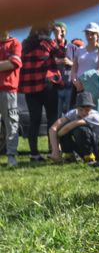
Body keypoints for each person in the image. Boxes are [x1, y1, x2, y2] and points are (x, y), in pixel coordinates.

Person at [18, 25, 62, 162]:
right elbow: (61, 54)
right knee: (52, 118)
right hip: (47, 84)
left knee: (34, 120)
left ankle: (34, 154)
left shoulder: (24, 44)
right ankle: (53, 150)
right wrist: (58, 37)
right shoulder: (48, 42)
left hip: (30, 88)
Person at [47, 92, 99, 163]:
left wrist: (57, 136)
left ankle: (90, 157)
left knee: (80, 129)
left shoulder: (94, 116)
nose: (84, 112)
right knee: (64, 127)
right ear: (77, 108)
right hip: (85, 145)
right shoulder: (73, 113)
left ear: (91, 108)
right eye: (81, 109)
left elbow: (67, 128)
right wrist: (55, 151)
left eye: (87, 110)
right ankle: (68, 156)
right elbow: (53, 128)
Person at [70, 22, 99, 109]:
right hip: (77, 86)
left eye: (93, 34)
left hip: (92, 88)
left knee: (91, 116)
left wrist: (85, 82)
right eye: (87, 33)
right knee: (76, 114)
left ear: (98, 36)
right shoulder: (79, 50)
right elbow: (74, 68)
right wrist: (75, 81)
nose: (89, 36)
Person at [0, 29, 21, 167]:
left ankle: (11, 156)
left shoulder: (15, 43)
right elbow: (6, 64)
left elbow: (13, 63)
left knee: (11, 123)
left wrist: (6, 64)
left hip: (8, 89)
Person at [52, 22, 75, 116]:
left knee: (69, 115)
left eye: (63, 30)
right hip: (55, 87)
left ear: (66, 32)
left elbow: (79, 64)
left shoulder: (72, 47)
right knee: (56, 115)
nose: (61, 33)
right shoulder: (51, 46)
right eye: (58, 31)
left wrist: (70, 63)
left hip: (69, 85)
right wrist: (57, 61)